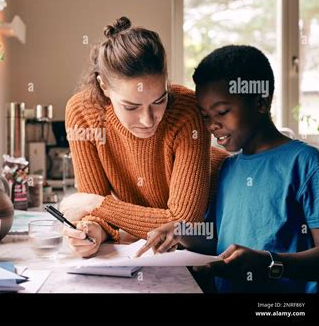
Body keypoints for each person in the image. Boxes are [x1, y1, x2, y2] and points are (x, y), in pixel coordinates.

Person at [138, 45, 319, 293]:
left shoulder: (305, 163)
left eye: (222, 112)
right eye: (204, 116)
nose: (213, 125)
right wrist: (180, 231)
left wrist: (269, 262)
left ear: (260, 101)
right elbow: (218, 238)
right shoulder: (228, 168)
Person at [61, 16, 228, 258]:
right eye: (131, 107)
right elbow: (97, 211)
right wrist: (91, 231)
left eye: (159, 100)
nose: (148, 120)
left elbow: (182, 224)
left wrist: (95, 205)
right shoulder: (82, 112)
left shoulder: (186, 109)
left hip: (213, 228)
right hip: (160, 244)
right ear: (104, 87)